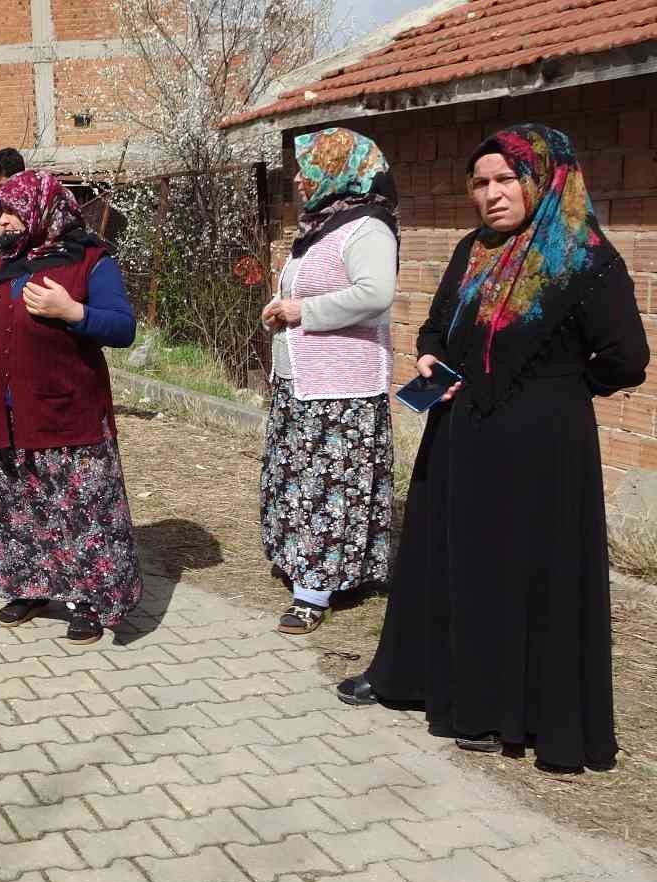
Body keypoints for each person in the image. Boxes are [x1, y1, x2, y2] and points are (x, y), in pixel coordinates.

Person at [338, 125, 650, 772]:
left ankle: (511, 712)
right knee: (450, 565)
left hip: (542, 455)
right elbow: (437, 323)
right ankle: (423, 683)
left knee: (521, 573)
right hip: (463, 439)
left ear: (543, 178)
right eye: (480, 183)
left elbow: (627, 359)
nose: (491, 194)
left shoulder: (586, 259)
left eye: (506, 179)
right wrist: (430, 355)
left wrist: (557, 394)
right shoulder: (471, 250)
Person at [0, 169, 142, 644]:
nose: (2, 223)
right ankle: (30, 585)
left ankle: (88, 600)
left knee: (79, 514)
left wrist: (73, 313)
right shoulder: (2, 267)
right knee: (20, 509)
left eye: (11, 212)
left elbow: (123, 328)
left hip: (68, 414)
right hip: (8, 417)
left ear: (43, 209)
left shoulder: (90, 261)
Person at [259, 127, 400, 635]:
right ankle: (304, 562)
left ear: (338, 170)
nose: (298, 179)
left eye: (308, 167)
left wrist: (302, 310)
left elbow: (376, 294)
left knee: (328, 486)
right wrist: (280, 312)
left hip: (342, 387)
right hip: (301, 381)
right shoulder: (320, 227)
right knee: (299, 479)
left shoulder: (368, 228)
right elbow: (300, 296)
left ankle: (314, 589)